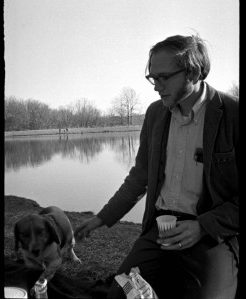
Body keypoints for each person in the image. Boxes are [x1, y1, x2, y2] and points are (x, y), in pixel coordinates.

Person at [74, 34, 238, 299]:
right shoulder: (155, 114)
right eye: (152, 78)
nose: (156, 86)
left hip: (211, 234)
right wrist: (101, 219)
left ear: (194, 72)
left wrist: (204, 226)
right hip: (160, 230)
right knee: (121, 293)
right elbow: (140, 177)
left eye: (164, 77)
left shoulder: (232, 114)